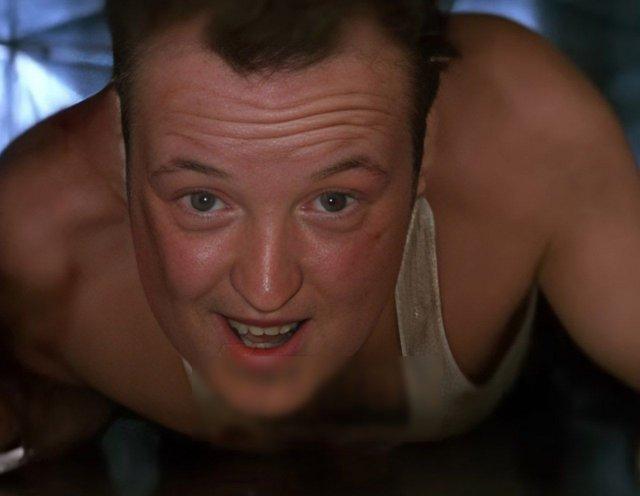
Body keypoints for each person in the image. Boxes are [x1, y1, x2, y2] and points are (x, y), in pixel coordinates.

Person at [0, 0, 639, 469]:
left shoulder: (522, 127)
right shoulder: (35, 241)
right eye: (204, 200)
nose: (267, 290)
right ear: (121, 148)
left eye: (333, 201)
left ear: (426, 144)